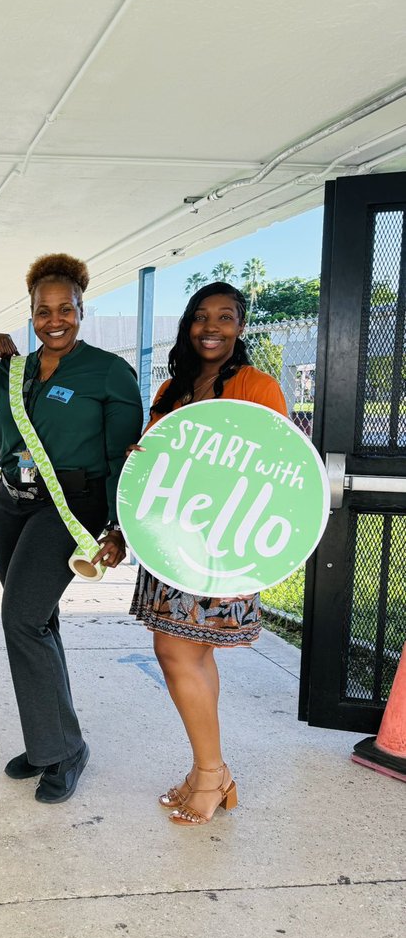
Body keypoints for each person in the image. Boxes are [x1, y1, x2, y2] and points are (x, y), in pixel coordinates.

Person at [0, 253, 142, 803]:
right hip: (10, 504)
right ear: (30, 313)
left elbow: (124, 456)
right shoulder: (14, 370)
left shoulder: (107, 371)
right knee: (39, 622)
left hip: (69, 508)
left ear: (82, 309)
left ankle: (63, 748)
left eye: (66, 309)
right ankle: (48, 739)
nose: (54, 320)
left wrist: (119, 527)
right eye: (42, 311)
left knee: (21, 620)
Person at [129, 282, 287, 826]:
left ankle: (212, 773)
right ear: (188, 326)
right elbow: (158, 464)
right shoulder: (172, 389)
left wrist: (250, 565)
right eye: (200, 317)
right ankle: (207, 773)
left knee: (177, 654)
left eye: (225, 317)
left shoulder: (256, 386)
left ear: (241, 326)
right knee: (192, 654)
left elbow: (273, 472)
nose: (211, 327)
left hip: (220, 546)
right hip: (170, 542)